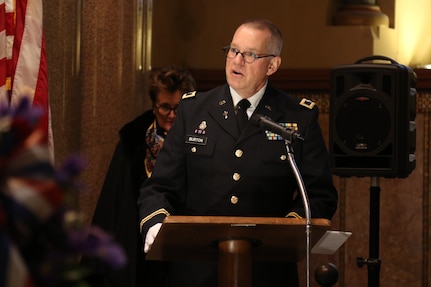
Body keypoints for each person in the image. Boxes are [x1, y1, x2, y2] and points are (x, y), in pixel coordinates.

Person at [138, 19, 338, 287]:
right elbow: (160, 186)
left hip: (268, 272)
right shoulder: (194, 109)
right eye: (233, 51)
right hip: (195, 271)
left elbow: (319, 194)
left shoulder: (298, 116)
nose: (237, 61)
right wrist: (156, 222)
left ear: (272, 65)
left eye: (250, 54)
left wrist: (289, 229)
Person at [82, 65, 196, 287]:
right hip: (137, 244)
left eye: (178, 108)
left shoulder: (199, 140)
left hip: (184, 246)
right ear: (154, 106)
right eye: (165, 107)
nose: (172, 116)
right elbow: (113, 201)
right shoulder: (133, 141)